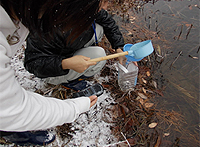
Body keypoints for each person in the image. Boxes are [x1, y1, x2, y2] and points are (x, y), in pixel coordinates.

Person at [0, 0, 104, 146]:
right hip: (52, 67)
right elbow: (15, 108)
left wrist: (118, 45)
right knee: (9, 119)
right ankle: (11, 132)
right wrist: (75, 107)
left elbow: (105, 18)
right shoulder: (42, 25)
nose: (105, 7)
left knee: (99, 30)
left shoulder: (21, 13)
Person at [24, 0, 126, 91]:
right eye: (103, 2)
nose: (105, 7)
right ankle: (70, 81)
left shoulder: (87, 8)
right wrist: (65, 64)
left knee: (100, 28)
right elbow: (32, 63)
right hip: (55, 69)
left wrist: (119, 47)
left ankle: (77, 52)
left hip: (70, 44)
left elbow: (107, 21)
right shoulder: (49, 27)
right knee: (99, 56)